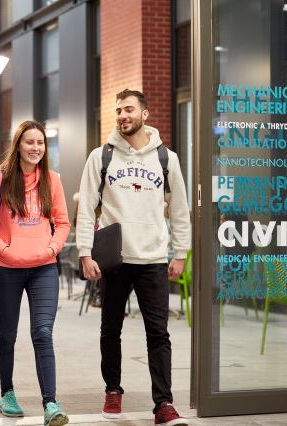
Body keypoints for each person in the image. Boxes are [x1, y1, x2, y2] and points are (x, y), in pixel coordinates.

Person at [76, 89, 190, 425]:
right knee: (109, 329)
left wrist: (180, 252)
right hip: (115, 259)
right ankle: (113, 390)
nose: (123, 115)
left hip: (153, 258)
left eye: (129, 109)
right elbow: (86, 208)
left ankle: (163, 405)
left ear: (145, 113)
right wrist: (85, 252)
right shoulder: (102, 156)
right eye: (118, 111)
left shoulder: (167, 158)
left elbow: (181, 210)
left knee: (158, 334)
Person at [0, 120, 71, 426]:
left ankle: (51, 404)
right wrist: (5, 251)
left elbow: (63, 222)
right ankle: (7, 393)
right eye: (30, 142)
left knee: (43, 333)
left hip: (43, 268)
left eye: (40, 143)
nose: (36, 148)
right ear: (18, 144)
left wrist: (52, 249)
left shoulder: (52, 179)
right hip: (6, 270)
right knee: (8, 334)